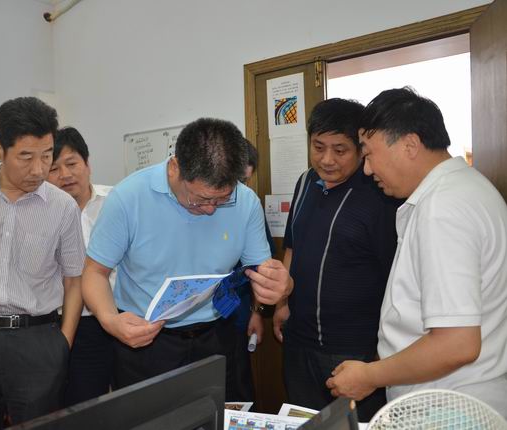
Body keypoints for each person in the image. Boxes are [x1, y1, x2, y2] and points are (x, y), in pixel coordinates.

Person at [326, 87, 507, 418]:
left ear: (409, 145)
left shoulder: (443, 207)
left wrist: (369, 376)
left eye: (369, 154)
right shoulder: (470, 188)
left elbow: (457, 344)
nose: (367, 169)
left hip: (445, 406)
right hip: (461, 399)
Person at [82, 117, 291, 401]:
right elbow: (94, 272)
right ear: (175, 167)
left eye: (222, 200)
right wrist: (110, 320)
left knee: (218, 415)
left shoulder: (245, 202)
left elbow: (262, 273)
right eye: (200, 199)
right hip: (146, 341)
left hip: (217, 336)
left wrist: (280, 287)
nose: (210, 210)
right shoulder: (128, 198)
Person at [0, 97, 86, 428]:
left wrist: (62, 343)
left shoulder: (62, 207)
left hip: (37, 339)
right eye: (26, 156)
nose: (39, 169)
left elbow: (74, 280)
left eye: (46, 155)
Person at [272, 98, 399, 421]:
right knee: (304, 421)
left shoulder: (379, 192)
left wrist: (380, 355)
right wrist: (281, 303)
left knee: (354, 425)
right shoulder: (305, 183)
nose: (327, 160)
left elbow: (395, 275)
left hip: (354, 350)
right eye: (318, 147)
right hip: (298, 341)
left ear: (360, 149)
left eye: (340, 150)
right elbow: (292, 247)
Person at [47, 126, 115, 405]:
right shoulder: (42, 213)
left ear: (87, 164)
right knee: (82, 405)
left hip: (121, 315)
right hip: (70, 323)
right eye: (54, 168)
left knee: (134, 401)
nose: (65, 175)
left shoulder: (116, 202)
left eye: (72, 163)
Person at [227, 140, 275, 404]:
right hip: (198, 323)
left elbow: (262, 268)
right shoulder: (199, 205)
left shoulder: (249, 207)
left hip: (238, 316)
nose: (237, 189)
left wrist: (258, 312)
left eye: (244, 182)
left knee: (238, 391)